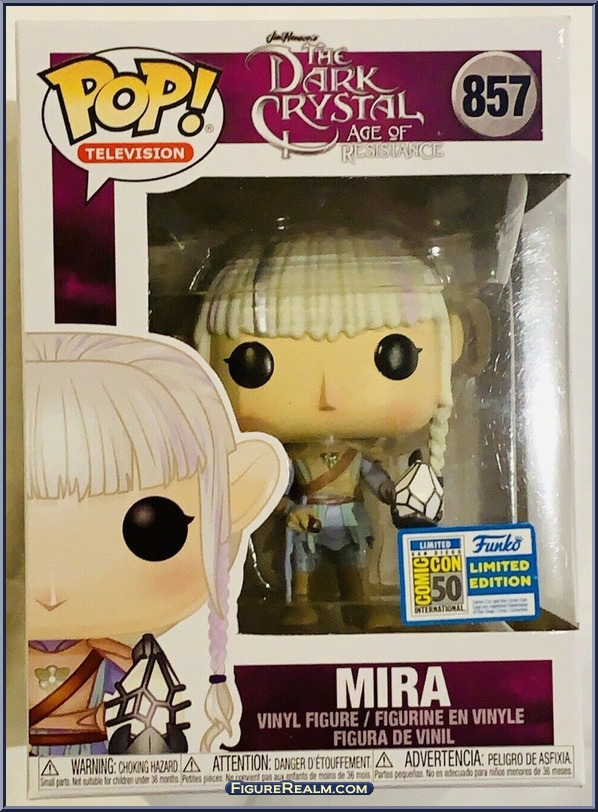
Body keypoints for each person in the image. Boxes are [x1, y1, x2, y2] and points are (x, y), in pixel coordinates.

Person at [25, 331, 285, 754]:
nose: (52, 593)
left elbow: (147, 714)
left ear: (236, 496)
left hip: (95, 760)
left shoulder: (115, 659)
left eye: (150, 529)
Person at [194, 227, 463, 627]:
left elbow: (374, 476)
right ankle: (300, 601)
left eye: (394, 355)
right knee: (303, 561)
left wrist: (395, 493)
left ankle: (360, 602)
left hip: (350, 514)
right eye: (254, 363)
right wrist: (290, 510)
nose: (327, 395)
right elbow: (277, 490)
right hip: (310, 513)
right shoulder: (291, 460)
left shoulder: (356, 457)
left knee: (355, 561)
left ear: (451, 343)